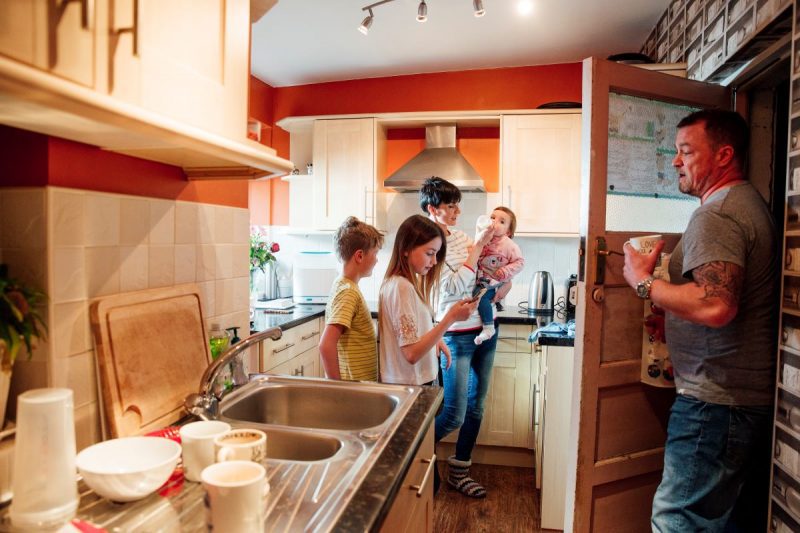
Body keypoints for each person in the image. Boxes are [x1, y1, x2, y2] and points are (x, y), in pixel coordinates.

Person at [622, 109, 777, 532]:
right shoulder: (743, 204)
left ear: (724, 155)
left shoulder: (719, 214)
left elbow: (715, 305)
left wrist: (642, 282)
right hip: (729, 401)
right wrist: (670, 310)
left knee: (677, 521)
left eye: (686, 151)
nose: (675, 161)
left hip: (715, 403)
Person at [420, 177, 496, 499]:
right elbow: (449, 288)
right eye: (450, 206)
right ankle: (412, 454)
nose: (457, 211)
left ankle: (459, 471)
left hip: (485, 330)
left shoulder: (463, 237)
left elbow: (475, 275)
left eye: (456, 204)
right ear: (432, 209)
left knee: (476, 409)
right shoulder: (429, 243)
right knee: (453, 412)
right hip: (455, 335)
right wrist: (477, 249)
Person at [378, 215, 475, 385]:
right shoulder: (401, 287)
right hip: (409, 385)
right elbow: (411, 353)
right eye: (430, 253)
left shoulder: (404, 283)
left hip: (411, 382)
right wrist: (451, 317)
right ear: (406, 249)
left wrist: (436, 339)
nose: (434, 261)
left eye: (436, 254)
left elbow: (412, 335)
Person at [319, 216, 384, 381]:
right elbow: (326, 345)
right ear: (360, 256)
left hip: (358, 386)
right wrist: (338, 388)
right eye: (375, 253)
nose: (376, 260)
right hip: (354, 389)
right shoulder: (348, 291)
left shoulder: (346, 286)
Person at [473, 206, 525, 345]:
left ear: (508, 232)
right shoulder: (483, 238)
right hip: (485, 279)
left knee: (481, 296)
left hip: (497, 280)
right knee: (479, 294)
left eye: (501, 221)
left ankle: (488, 327)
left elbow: (520, 262)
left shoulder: (509, 245)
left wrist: (504, 273)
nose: (495, 222)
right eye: (492, 218)